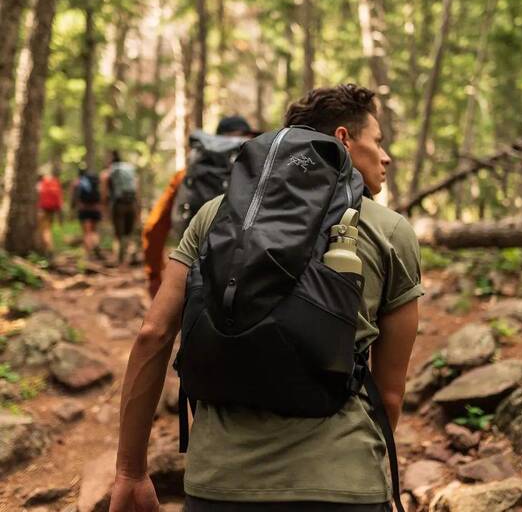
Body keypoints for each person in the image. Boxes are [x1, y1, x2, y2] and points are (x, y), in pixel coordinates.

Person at [110, 85, 423, 512]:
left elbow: (152, 334)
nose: (386, 157)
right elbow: (389, 396)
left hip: (218, 486)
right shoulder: (390, 231)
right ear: (344, 140)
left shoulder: (214, 215)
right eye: (379, 142)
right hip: (342, 487)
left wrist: (129, 471)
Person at [142, 116, 257, 297]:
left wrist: (154, 275)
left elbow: (153, 227)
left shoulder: (186, 176)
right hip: (249, 283)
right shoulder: (259, 177)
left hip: (195, 279)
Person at [101, 151, 139, 266]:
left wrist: (104, 207)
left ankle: (120, 259)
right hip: (131, 203)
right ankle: (130, 255)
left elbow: (104, 191)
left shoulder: (109, 172)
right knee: (128, 232)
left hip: (118, 204)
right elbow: (137, 187)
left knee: (119, 233)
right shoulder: (129, 169)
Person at [71, 167, 103, 260]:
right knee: (94, 230)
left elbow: (74, 197)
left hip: (84, 208)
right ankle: (96, 245)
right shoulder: (94, 180)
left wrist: (73, 208)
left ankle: (88, 254)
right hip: (95, 208)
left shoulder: (77, 182)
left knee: (86, 232)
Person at [37, 173, 63, 254]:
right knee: (48, 228)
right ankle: (48, 248)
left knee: (43, 229)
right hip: (52, 209)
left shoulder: (40, 184)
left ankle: (47, 249)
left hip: (42, 209)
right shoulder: (53, 183)